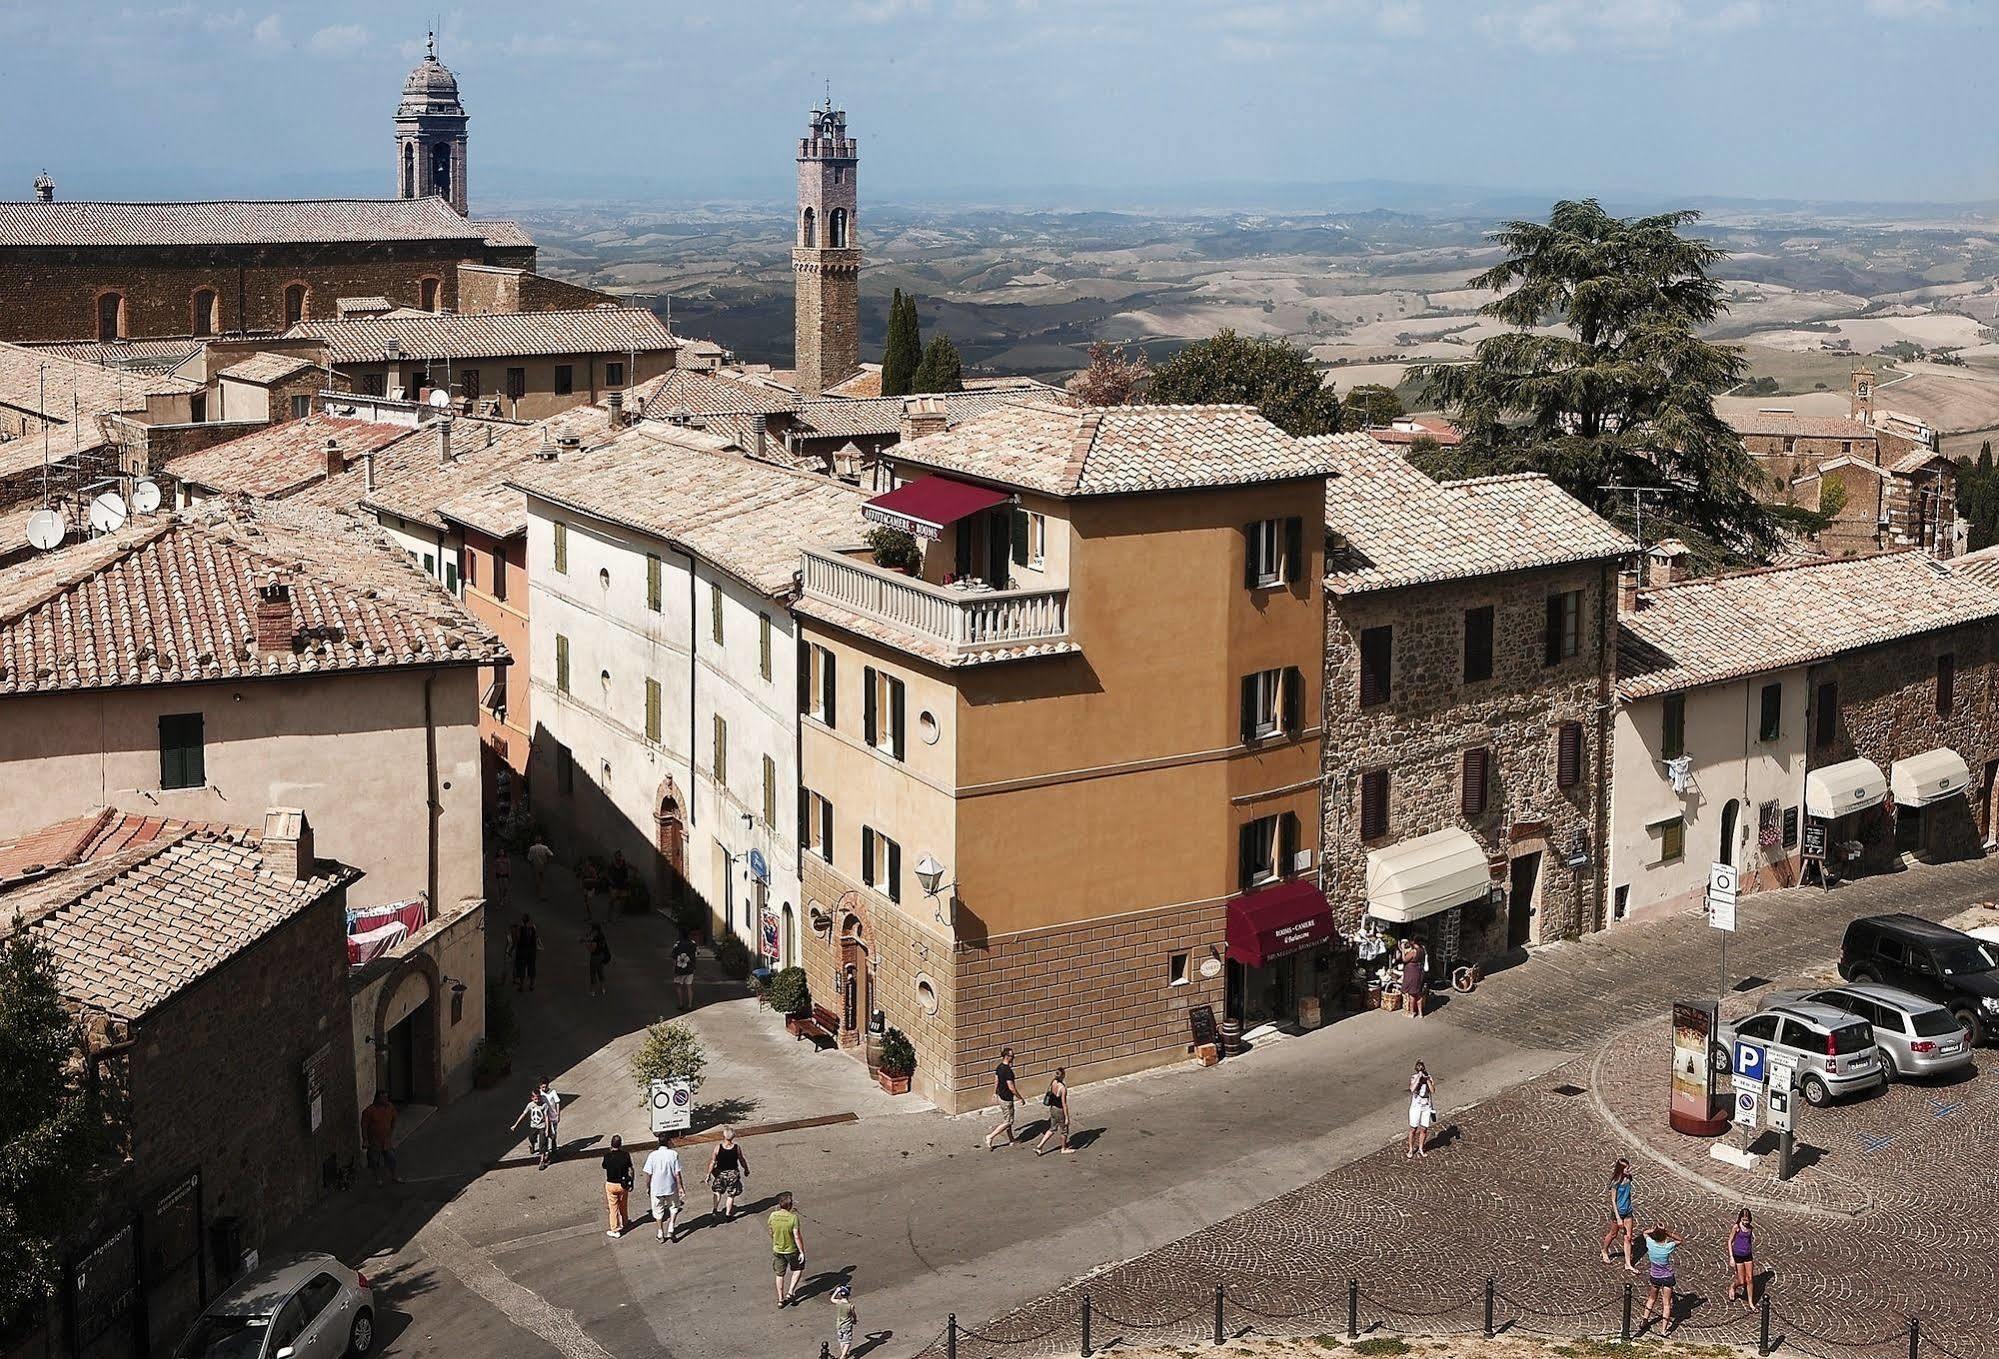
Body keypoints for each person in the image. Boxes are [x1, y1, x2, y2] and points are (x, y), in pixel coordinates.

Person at [1640, 1226, 1680, 1335]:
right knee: (1666, 1304)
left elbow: (1645, 1232)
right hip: (1667, 1277)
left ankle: (1645, 1319)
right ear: (1664, 1237)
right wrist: (1667, 1232)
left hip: (1655, 1276)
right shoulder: (1667, 1247)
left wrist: (1655, 1230)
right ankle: (1663, 1330)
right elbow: (1680, 1240)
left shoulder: (1650, 1244)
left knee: (1652, 1298)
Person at [643, 1137, 684, 1243]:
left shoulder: (652, 1155)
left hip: (656, 1188)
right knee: (674, 1207)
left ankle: (660, 1233)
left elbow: (648, 1174)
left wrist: (648, 1187)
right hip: (671, 1186)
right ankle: (671, 1228)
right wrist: (680, 1187)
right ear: (668, 1142)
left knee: (658, 1211)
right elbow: (677, 1173)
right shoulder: (673, 1154)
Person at [769, 1191, 806, 1307]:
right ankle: (790, 1292)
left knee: (779, 1274)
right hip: (791, 1250)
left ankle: (780, 1299)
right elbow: (796, 1236)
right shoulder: (793, 1218)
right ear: (790, 1206)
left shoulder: (773, 1215)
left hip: (777, 1249)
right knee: (798, 1268)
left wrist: (775, 1240)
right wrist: (802, 1251)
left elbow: (771, 1231)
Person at [1600, 1159, 1638, 1270]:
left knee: (1628, 1237)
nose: (1629, 1170)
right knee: (1613, 1234)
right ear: (1621, 1170)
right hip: (1618, 1213)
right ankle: (1604, 1250)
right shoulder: (1616, 1182)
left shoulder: (1629, 1178)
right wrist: (1618, 1217)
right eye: (1627, 1168)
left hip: (1628, 1211)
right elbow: (1613, 1200)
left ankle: (1628, 1264)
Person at [985, 1046, 1022, 1150]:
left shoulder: (999, 1067)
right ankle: (990, 1136)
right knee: (1008, 1121)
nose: (1013, 1057)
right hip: (1007, 1099)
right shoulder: (1007, 1071)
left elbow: (996, 1080)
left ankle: (1012, 1140)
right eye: (1012, 1056)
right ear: (1007, 1056)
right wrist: (1020, 1098)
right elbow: (1011, 1088)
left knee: (1007, 1119)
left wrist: (994, 1093)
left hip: (1001, 1096)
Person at [707, 1127, 750, 1220]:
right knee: (731, 1195)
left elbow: (712, 1162)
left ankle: (715, 1209)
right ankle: (728, 1214)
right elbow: (741, 1160)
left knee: (717, 1191)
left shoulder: (718, 1147)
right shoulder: (736, 1148)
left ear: (724, 1136)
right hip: (733, 1174)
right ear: (733, 1136)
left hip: (720, 1174)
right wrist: (746, 1169)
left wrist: (708, 1174)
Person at [360, 1090, 400, 1186]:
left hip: (386, 1141)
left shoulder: (390, 1107)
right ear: (378, 1099)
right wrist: (365, 1140)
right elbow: (364, 1126)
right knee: (374, 1161)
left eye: (386, 1097)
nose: (386, 1099)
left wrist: (391, 1131)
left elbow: (394, 1118)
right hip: (374, 1141)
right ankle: (378, 1178)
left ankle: (394, 1176)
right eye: (383, 1098)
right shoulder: (369, 1111)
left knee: (391, 1158)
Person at [509, 1087, 553, 1169]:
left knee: (542, 1143)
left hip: (542, 1126)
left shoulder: (544, 1105)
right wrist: (515, 1125)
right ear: (532, 1098)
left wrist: (547, 1129)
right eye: (536, 1099)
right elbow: (523, 1114)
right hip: (533, 1126)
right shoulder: (530, 1105)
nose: (538, 1100)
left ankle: (542, 1161)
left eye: (539, 1098)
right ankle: (532, 1146)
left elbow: (547, 1117)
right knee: (531, 1138)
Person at [1033, 1068, 1074, 1155]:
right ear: (1063, 1075)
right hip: (1059, 1110)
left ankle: (1039, 1146)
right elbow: (1064, 1104)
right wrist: (1067, 1117)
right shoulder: (1062, 1088)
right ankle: (1063, 1148)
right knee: (1064, 1130)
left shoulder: (1053, 1082)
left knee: (1052, 1129)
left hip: (1052, 1108)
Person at [601, 1135, 634, 1238]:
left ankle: (615, 1229)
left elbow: (604, 1166)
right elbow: (631, 1169)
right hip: (623, 1184)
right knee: (623, 1205)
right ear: (621, 1144)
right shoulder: (625, 1155)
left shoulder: (607, 1156)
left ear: (611, 1144)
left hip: (611, 1184)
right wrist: (631, 1182)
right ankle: (625, 1222)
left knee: (613, 1207)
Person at [1727, 1208, 1756, 1309]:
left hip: (1748, 1255)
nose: (1745, 1222)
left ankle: (1751, 1302)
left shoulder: (1750, 1228)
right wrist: (1731, 1257)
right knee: (1742, 1281)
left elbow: (1748, 1242)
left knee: (1750, 1279)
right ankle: (1733, 1286)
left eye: (1747, 1220)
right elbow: (1730, 1241)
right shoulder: (1736, 1227)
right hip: (1738, 1255)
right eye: (1743, 1220)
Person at [1407, 1061, 1436, 1158]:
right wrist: (1419, 1078)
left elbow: (1432, 1090)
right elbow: (1412, 1089)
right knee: (1413, 1129)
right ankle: (1411, 1149)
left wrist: (1427, 1080)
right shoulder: (1414, 1077)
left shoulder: (1429, 1077)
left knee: (1424, 1129)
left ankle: (1421, 1148)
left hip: (1426, 1107)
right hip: (1416, 1107)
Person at [507, 913, 540, 992]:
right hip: (531, 951)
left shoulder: (521, 929)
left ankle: (521, 986)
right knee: (531, 968)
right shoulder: (533, 928)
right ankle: (531, 985)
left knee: (521, 968)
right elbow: (535, 939)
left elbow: (516, 940)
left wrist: (511, 950)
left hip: (522, 951)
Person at [1399, 936, 1428, 1018]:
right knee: (1419, 993)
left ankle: (1411, 1012)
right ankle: (1420, 1013)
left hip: (1413, 972)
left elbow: (1404, 959)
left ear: (1414, 942)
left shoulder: (1414, 951)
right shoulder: (1422, 950)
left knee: (1412, 993)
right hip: (1419, 972)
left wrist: (1403, 949)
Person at [831, 1284, 859, 1358]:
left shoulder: (838, 1302)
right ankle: (843, 1356)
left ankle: (844, 1353)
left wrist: (836, 1291)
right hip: (847, 1325)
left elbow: (832, 1299)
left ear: (840, 1294)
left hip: (839, 1324)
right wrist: (855, 1320)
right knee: (847, 1341)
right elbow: (854, 1315)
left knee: (841, 1340)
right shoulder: (850, 1306)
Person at [584, 923, 612, 997]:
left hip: (595, 957)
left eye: (593, 930)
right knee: (600, 972)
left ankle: (593, 991)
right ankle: (603, 990)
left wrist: (587, 944)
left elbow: (592, 950)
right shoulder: (602, 936)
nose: (592, 931)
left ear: (596, 930)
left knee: (593, 974)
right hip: (601, 956)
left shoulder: (596, 938)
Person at [672, 933, 697, 1011]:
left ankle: (681, 1004)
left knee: (678, 986)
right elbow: (696, 954)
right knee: (689, 986)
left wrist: (674, 968)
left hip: (679, 968)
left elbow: (674, 957)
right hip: (690, 968)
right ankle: (690, 1005)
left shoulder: (677, 944)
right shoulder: (693, 943)